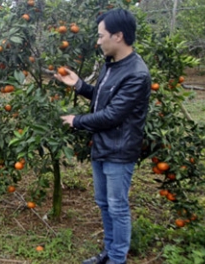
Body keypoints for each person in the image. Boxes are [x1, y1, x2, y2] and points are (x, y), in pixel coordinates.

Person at [54, 9, 151, 264]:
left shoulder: (137, 73)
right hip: (103, 145)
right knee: (104, 204)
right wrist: (80, 86)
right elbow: (103, 98)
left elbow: (112, 115)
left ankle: (117, 259)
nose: (98, 41)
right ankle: (109, 253)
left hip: (119, 150)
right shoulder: (112, 65)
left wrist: (76, 121)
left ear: (118, 36)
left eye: (101, 35)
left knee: (117, 206)